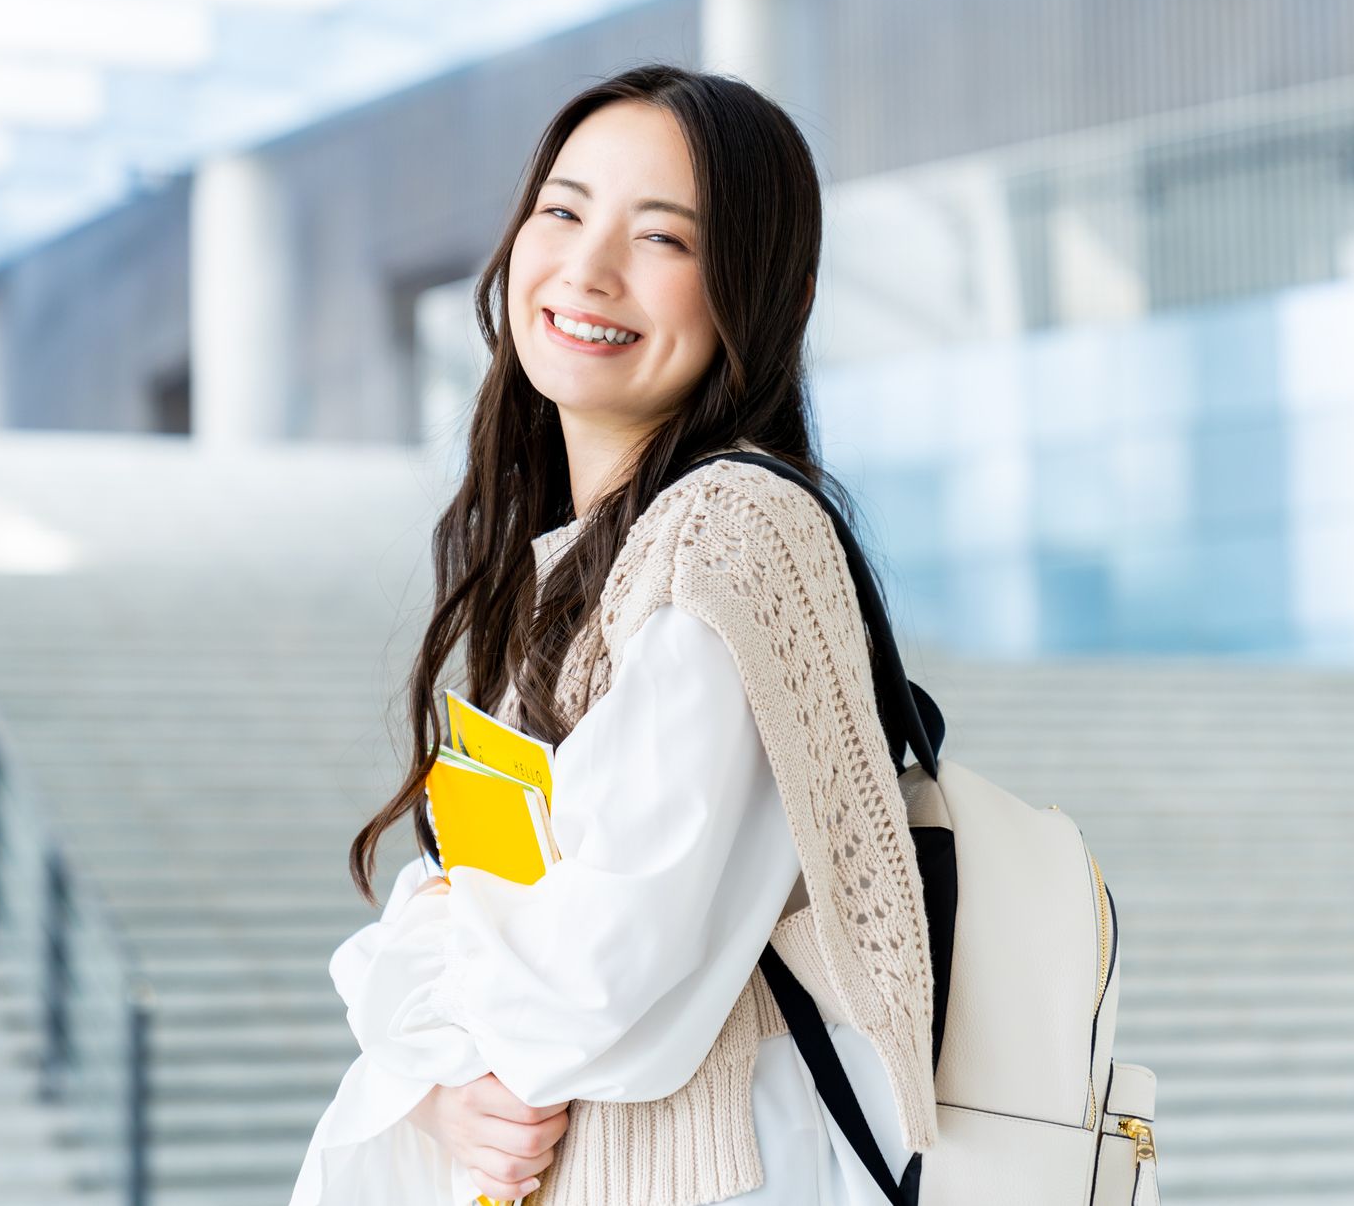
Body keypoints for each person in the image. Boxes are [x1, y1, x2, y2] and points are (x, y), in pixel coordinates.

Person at [289, 63, 938, 1206]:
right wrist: (443, 1086)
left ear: (762, 297)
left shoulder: (730, 533)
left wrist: (420, 973)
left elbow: (576, 986)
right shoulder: (570, 572)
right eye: (562, 209)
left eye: (663, 240)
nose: (586, 269)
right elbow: (512, 936)